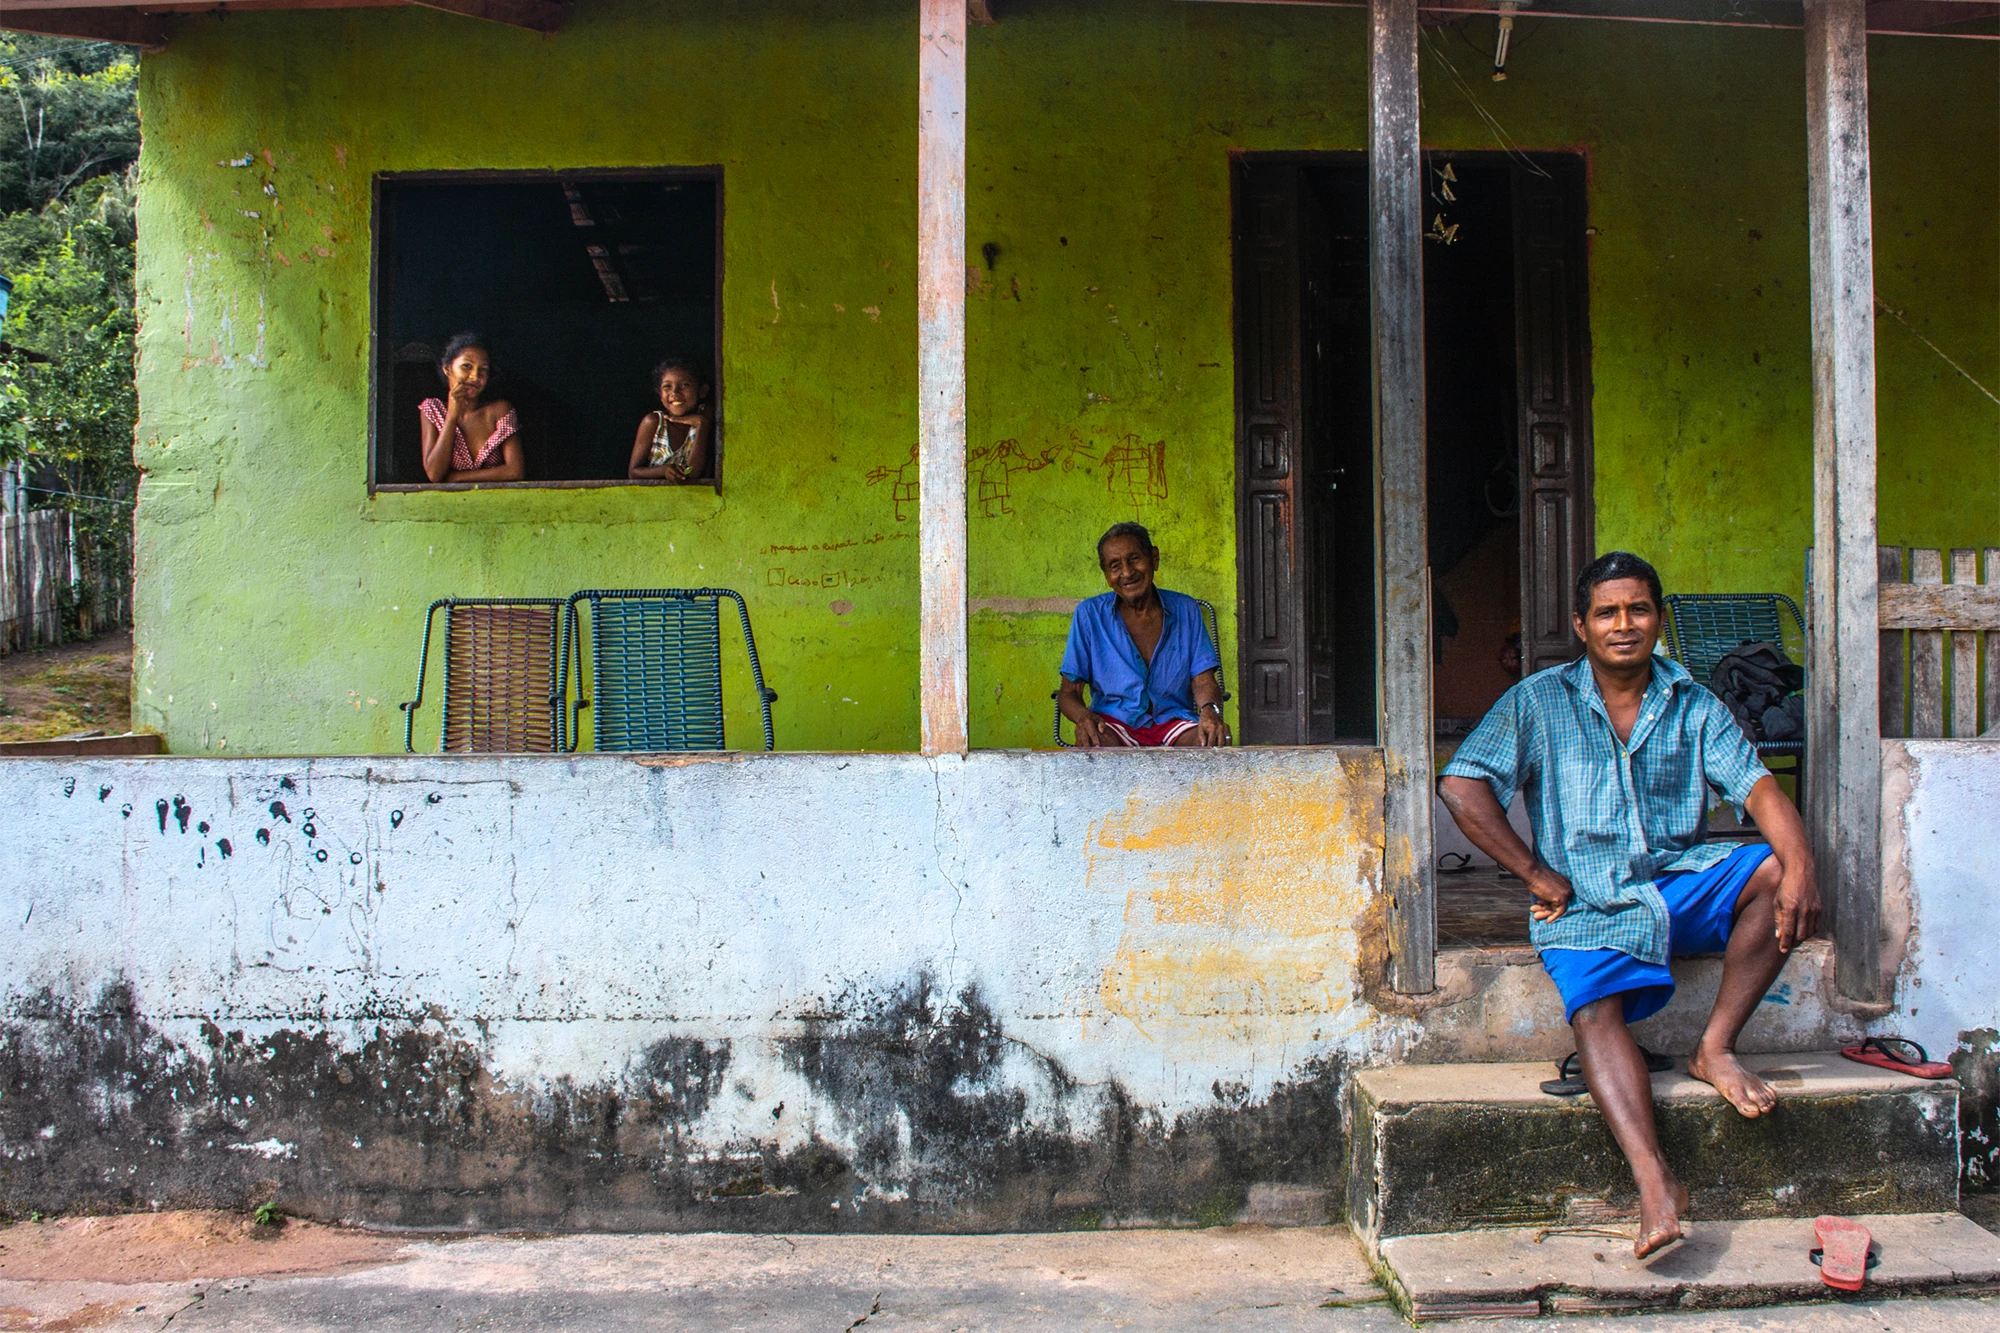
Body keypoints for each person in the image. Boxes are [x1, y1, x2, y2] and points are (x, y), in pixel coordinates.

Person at [1438, 551, 1820, 1261]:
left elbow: (1760, 787)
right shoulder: (1538, 700)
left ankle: (1714, 1047)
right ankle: (1655, 1182)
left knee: (1772, 872)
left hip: (1678, 881)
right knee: (1594, 1006)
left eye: (1638, 609)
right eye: (1607, 612)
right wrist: (1534, 870)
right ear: (1581, 625)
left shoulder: (1694, 702)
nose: (1624, 624)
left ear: (1658, 619)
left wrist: (1800, 865)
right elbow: (1461, 785)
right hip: (1584, 898)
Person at [1058, 523, 1229, 747]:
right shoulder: (1089, 615)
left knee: (1212, 741)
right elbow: (1068, 692)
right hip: (1113, 724)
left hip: (1173, 722)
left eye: (1135, 558)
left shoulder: (1186, 609)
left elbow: (1203, 680)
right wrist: (1083, 717)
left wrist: (1210, 711)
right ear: (1107, 575)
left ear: (1154, 559)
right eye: (1115, 565)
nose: (1127, 572)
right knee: (1096, 742)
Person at [419, 334, 524, 483]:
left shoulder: (500, 411)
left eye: (483, 370)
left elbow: (515, 471)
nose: (475, 376)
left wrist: (456, 478)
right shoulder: (432, 410)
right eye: (467, 366)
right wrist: (451, 417)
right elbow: (434, 474)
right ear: (448, 369)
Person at [628, 356, 711, 482]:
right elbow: (633, 472)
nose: (674, 393)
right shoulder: (654, 422)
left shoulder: (703, 420)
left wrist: (701, 424)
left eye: (684, 385)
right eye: (667, 386)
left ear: (702, 391)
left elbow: (693, 473)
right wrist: (663, 470)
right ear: (659, 393)